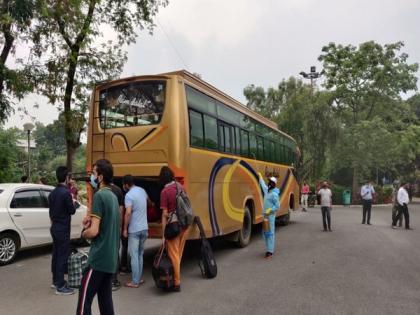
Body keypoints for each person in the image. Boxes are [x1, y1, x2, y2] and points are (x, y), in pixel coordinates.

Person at [76, 159, 120, 315]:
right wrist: (92, 221)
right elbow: (107, 224)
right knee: (105, 301)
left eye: (94, 173)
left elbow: (94, 231)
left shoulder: (100, 196)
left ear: (100, 177)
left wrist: (83, 233)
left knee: (83, 304)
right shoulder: (113, 196)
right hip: (111, 259)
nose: (92, 177)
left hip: (98, 259)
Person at [160, 166, 189, 292]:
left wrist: (163, 234)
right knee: (178, 253)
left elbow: (165, 214)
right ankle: (174, 276)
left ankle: (176, 283)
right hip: (185, 224)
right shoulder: (179, 186)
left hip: (174, 226)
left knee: (174, 255)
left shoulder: (165, 192)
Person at [49, 166, 76, 295]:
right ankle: (60, 286)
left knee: (56, 254)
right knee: (62, 256)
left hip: (54, 227)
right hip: (63, 228)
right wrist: (74, 202)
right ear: (66, 178)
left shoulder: (53, 192)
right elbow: (72, 210)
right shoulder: (66, 193)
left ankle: (55, 281)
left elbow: (51, 212)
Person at [122, 174, 151, 288]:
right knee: (140, 254)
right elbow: (149, 202)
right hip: (144, 228)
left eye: (123, 185)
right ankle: (138, 278)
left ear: (126, 185)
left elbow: (128, 212)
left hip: (134, 230)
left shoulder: (128, 195)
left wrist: (124, 228)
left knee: (134, 255)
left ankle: (135, 282)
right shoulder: (142, 190)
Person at [258, 174, 280, 259]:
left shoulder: (274, 194)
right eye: (269, 182)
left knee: (270, 233)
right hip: (265, 216)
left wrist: (270, 210)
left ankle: (270, 251)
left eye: (271, 182)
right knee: (265, 233)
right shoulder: (267, 191)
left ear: (274, 184)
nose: (269, 183)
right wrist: (260, 177)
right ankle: (268, 249)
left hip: (270, 216)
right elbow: (263, 185)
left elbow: (277, 206)